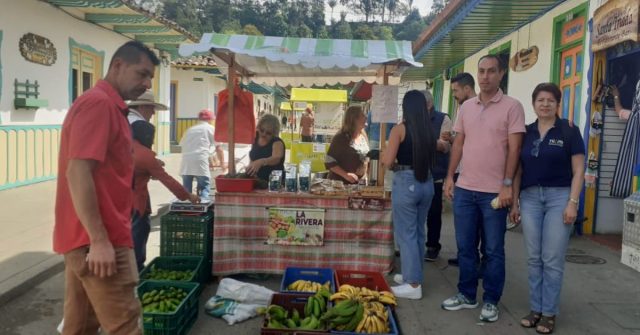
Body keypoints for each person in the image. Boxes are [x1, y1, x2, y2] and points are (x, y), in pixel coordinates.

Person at [54, 40, 158, 335]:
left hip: (86, 240)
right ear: (118, 66)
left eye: (150, 77)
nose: (147, 83)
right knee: (125, 324)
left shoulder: (110, 107)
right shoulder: (99, 104)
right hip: (100, 241)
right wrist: (99, 240)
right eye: (141, 74)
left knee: (80, 325)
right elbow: (78, 171)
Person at [442, 55, 525, 323]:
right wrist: (450, 177)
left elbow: (515, 149)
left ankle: (491, 300)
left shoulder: (512, 107)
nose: (485, 76)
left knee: (493, 250)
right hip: (465, 188)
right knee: (465, 247)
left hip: (494, 193)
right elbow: (458, 144)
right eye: (481, 71)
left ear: (501, 74)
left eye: (491, 71)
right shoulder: (466, 108)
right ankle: (467, 294)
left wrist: (507, 186)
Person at [510, 83, 585, 334]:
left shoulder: (569, 131)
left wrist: (572, 203)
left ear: (557, 104)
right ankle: (535, 309)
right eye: (540, 100)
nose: (545, 104)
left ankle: (549, 313)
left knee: (551, 259)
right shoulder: (526, 132)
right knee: (533, 257)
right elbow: (518, 170)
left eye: (550, 100)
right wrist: (515, 201)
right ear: (534, 104)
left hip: (559, 198)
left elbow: (578, 171)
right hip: (530, 198)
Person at [381, 90, 437, 299]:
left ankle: (413, 285)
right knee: (419, 232)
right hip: (427, 183)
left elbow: (387, 161)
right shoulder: (429, 130)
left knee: (406, 234)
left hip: (406, 182)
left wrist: (389, 156)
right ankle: (412, 275)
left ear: (406, 107)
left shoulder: (399, 130)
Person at [130, 121, 200, 271]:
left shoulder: (125, 147)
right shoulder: (145, 155)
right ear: (147, 136)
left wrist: (153, 165)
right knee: (139, 231)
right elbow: (167, 180)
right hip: (136, 200)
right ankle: (136, 268)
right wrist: (188, 195)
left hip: (118, 200)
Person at [447, 72, 481, 267]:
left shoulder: (475, 108)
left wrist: (453, 140)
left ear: (467, 89)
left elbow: (472, 141)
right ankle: (466, 255)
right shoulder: (464, 108)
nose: (454, 94)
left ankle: (472, 257)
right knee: (464, 221)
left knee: (472, 222)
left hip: (475, 173)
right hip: (462, 170)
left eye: (456, 90)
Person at [419, 90, 452, 262]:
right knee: (415, 212)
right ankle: (413, 245)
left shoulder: (443, 119)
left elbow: (445, 146)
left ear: (428, 104)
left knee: (433, 212)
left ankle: (432, 245)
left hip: (435, 173)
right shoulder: (411, 119)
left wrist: (423, 140)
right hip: (415, 172)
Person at [179, 109, 224, 200]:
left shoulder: (190, 129)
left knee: (186, 191)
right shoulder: (210, 128)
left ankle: (187, 208)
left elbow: (182, 145)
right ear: (211, 119)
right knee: (204, 186)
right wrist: (222, 163)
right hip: (200, 160)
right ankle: (203, 206)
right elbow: (219, 149)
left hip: (186, 161)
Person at [325, 106, 370, 184]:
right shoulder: (341, 138)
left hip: (358, 185)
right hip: (340, 185)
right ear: (354, 119)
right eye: (363, 115)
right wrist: (346, 175)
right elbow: (329, 161)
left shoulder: (363, 136)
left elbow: (366, 158)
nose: (366, 117)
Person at [247, 114, 286, 181]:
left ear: (274, 133)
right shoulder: (255, 137)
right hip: (256, 181)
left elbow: (276, 158)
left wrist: (261, 162)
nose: (264, 134)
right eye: (262, 130)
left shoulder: (277, 142)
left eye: (268, 133)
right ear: (258, 127)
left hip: (274, 182)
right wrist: (250, 168)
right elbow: (253, 156)